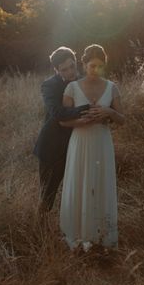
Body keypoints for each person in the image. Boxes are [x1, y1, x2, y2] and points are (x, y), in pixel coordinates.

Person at [59, 44, 125, 252]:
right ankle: (79, 235)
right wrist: (84, 121)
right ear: (84, 64)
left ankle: (100, 234)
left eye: (99, 66)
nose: (95, 70)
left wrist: (109, 112)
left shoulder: (112, 87)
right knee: (81, 183)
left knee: (100, 184)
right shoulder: (72, 88)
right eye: (91, 66)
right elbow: (63, 122)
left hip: (102, 143)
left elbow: (123, 120)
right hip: (80, 141)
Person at [33, 47, 91, 214]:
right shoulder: (49, 85)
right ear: (56, 70)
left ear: (76, 62)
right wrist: (86, 108)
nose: (70, 72)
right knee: (47, 195)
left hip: (79, 142)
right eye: (64, 69)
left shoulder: (85, 82)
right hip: (53, 146)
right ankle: (41, 231)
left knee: (79, 191)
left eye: (72, 66)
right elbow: (57, 113)